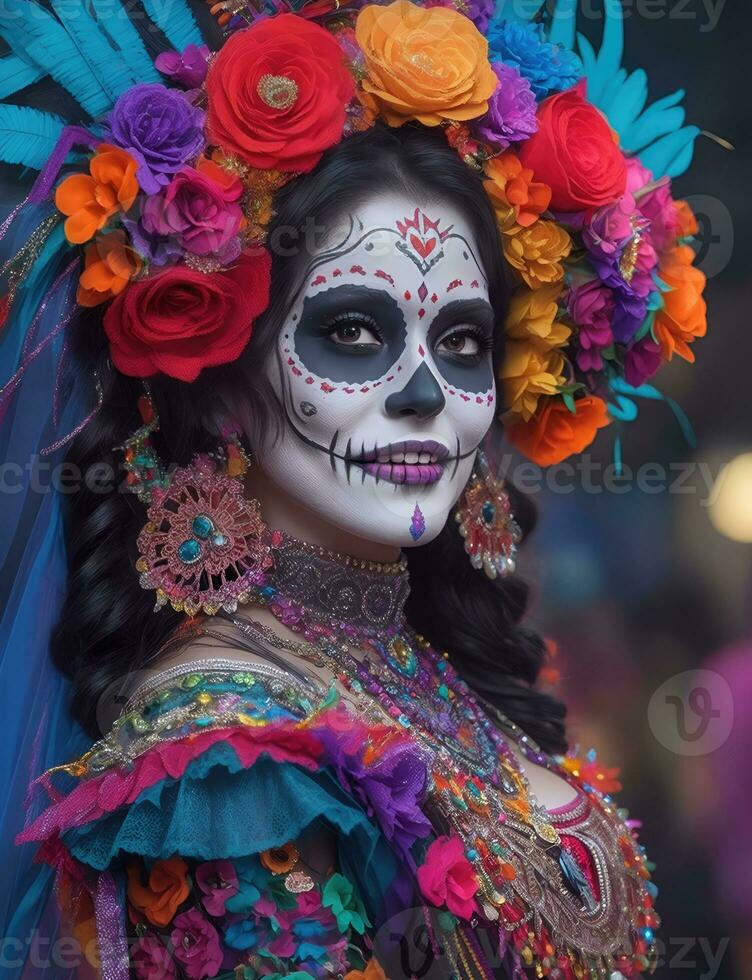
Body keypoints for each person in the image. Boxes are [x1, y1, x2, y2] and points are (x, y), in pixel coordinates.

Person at [0, 0, 708, 976]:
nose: (423, 393)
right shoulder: (226, 742)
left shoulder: (424, 664)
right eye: (353, 332)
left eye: (461, 343)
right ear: (224, 375)